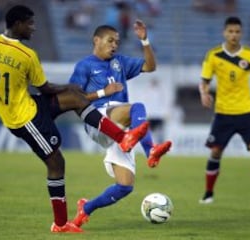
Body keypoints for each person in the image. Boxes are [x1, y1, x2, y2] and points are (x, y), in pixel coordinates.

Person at [0, 5, 149, 233]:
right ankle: (60, 225)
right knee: (56, 162)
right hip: (24, 119)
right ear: (18, 23)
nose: (33, 27)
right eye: (30, 23)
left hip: (31, 103)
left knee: (75, 99)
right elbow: (47, 88)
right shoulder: (27, 55)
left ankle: (123, 138)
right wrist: (71, 87)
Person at [68, 22, 172, 228]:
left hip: (120, 128)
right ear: (96, 41)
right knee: (137, 108)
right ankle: (150, 150)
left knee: (125, 186)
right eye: (110, 41)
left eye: (117, 41)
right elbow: (72, 97)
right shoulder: (84, 65)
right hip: (97, 118)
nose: (114, 45)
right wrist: (102, 92)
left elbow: (150, 66)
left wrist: (144, 40)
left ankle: (84, 210)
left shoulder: (120, 62)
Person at [198, 16, 250, 204]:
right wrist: (204, 93)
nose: (234, 35)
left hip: (246, 111)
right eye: (230, 31)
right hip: (223, 112)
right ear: (224, 32)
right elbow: (205, 81)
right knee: (216, 152)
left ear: (241, 33)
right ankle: (208, 193)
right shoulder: (213, 55)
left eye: (237, 31)